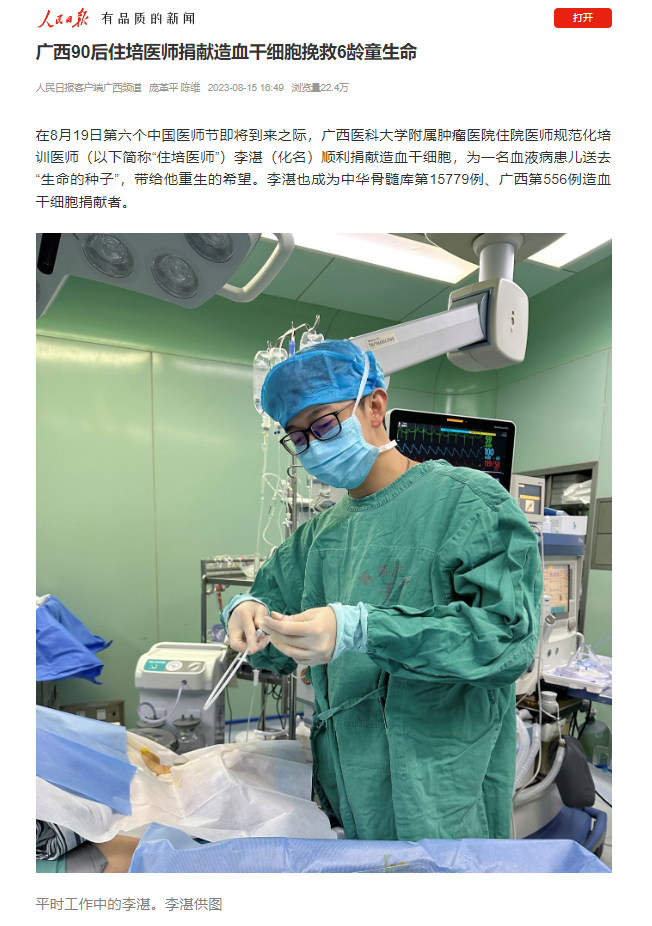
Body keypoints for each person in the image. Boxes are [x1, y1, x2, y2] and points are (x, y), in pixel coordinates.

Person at [222, 339, 542, 841]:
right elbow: (271, 629)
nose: (313, 447)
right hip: (349, 784)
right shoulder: (318, 536)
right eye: (298, 438)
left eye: (324, 425)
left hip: (441, 789)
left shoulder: (469, 503)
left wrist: (363, 629)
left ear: (374, 407)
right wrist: (246, 613)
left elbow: (507, 641)